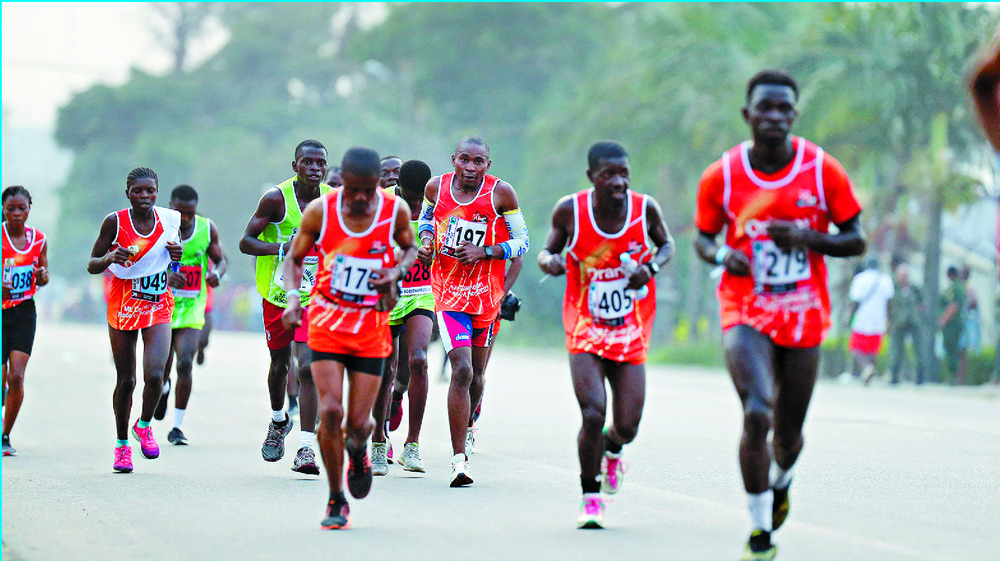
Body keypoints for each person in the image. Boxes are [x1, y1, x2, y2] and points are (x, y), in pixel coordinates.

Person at [693, 70, 866, 560]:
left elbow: (856, 239)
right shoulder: (722, 176)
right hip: (745, 308)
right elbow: (704, 238)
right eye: (763, 108)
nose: (772, 117)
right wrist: (724, 255)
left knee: (788, 436)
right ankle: (758, 529)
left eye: (782, 109)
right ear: (747, 114)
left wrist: (808, 237)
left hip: (804, 314)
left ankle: (781, 479)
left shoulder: (820, 170)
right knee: (757, 411)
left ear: (793, 115)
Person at [538, 141, 674, 529]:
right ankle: (590, 496)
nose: (619, 182)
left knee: (627, 425)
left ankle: (613, 449)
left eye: (624, 173)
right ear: (591, 178)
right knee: (593, 411)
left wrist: (650, 268)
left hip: (630, 328)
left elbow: (667, 245)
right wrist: (552, 263)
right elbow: (547, 252)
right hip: (584, 326)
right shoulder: (571, 210)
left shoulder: (644, 208)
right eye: (608, 175)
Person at [280, 146, 417, 529]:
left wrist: (395, 273)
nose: (358, 198)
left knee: (358, 424)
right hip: (327, 322)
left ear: (377, 184)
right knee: (330, 412)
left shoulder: (394, 212)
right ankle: (336, 498)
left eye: (367, 190)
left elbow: (410, 249)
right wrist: (293, 299)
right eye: (352, 189)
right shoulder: (321, 211)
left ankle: (359, 451)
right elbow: (294, 258)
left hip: (371, 328)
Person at [417, 135, 530, 487]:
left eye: (478, 161)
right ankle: (458, 461)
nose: (470, 167)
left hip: (486, 296)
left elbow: (522, 241)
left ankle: (468, 426)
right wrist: (426, 242)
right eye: (464, 159)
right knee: (462, 370)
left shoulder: (501, 194)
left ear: (487, 165)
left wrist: (487, 252)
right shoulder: (436, 188)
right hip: (449, 295)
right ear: (454, 160)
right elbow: (424, 220)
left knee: (477, 376)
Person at [239, 140, 333, 475]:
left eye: (320, 163)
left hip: (314, 296)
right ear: (295, 166)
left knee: (308, 366)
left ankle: (306, 448)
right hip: (277, 294)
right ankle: (279, 420)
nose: (314, 168)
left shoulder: (330, 201)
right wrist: (282, 246)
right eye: (307, 162)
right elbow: (245, 242)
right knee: (280, 365)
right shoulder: (276, 200)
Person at [87, 167, 184, 473]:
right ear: (127, 192)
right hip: (124, 302)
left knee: (156, 374)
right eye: (138, 191)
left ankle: (143, 425)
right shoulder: (115, 221)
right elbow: (92, 264)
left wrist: (177, 255)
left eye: (150, 191)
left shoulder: (169, 219)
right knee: (126, 380)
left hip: (158, 303)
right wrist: (109, 259)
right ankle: (121, 445)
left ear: (157, 191)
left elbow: (173, 259)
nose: (145, 196)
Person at [370, 158, 433, 475]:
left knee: (419, 360)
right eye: (411, 198)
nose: (417, 204)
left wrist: (434, 248)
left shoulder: (436, 201)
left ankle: (412, 444)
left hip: (422, 289)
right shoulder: (384, 203)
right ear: (400, 190)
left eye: (421, 199)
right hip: (390, 288)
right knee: (385, 365)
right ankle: (378, 441)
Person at [154, 185, 228, 445]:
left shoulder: (207, 228)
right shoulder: (157, 227)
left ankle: (176, 426)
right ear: (170, 206)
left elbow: (221, 259)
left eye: (190, 213)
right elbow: (139, 263)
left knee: (185, 361)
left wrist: (216, 274)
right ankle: (162, 389)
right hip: (162, 303)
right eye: (179, 212)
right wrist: (163, 275)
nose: (185, 219)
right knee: (160, 368)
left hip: (192, 307)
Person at [2, 186, 50, 457]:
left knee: (16, 376)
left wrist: (42, 276)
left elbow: (44, 276)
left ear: (30, 207)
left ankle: (5, 435)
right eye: (11, 209)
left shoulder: (38, 239)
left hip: (23, 311)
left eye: (22, 208)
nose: (17, 214)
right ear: (3, 210)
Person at [847, 258, 894, 385]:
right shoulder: (886, 279)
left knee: (856, 347)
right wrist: (890, 321)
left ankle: (866, 368)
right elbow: (890, 303)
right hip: (879, 318)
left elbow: (855, 302)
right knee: (873, 349)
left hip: (863, 317)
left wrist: (850, 318)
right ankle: (868, 372)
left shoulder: (860, 279)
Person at [888, 262, 926, 385]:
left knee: (919, 349)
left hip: (914, 322)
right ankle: (894, 376)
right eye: (901, 275)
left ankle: (920, 377)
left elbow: (921, 304)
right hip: (899, 322)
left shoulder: (914, 289)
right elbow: (889, 305)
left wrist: (918, 313)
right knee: (896, 350)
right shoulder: (893, 288)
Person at [939, 265, 968, 385]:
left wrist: (943, 320)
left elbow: (953, 306)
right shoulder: (960, 286)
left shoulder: (954, 288)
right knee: (956, 350)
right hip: (957, 323)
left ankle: (952, 378)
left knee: (951, 349)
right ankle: (955, 378)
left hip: (952, 324)